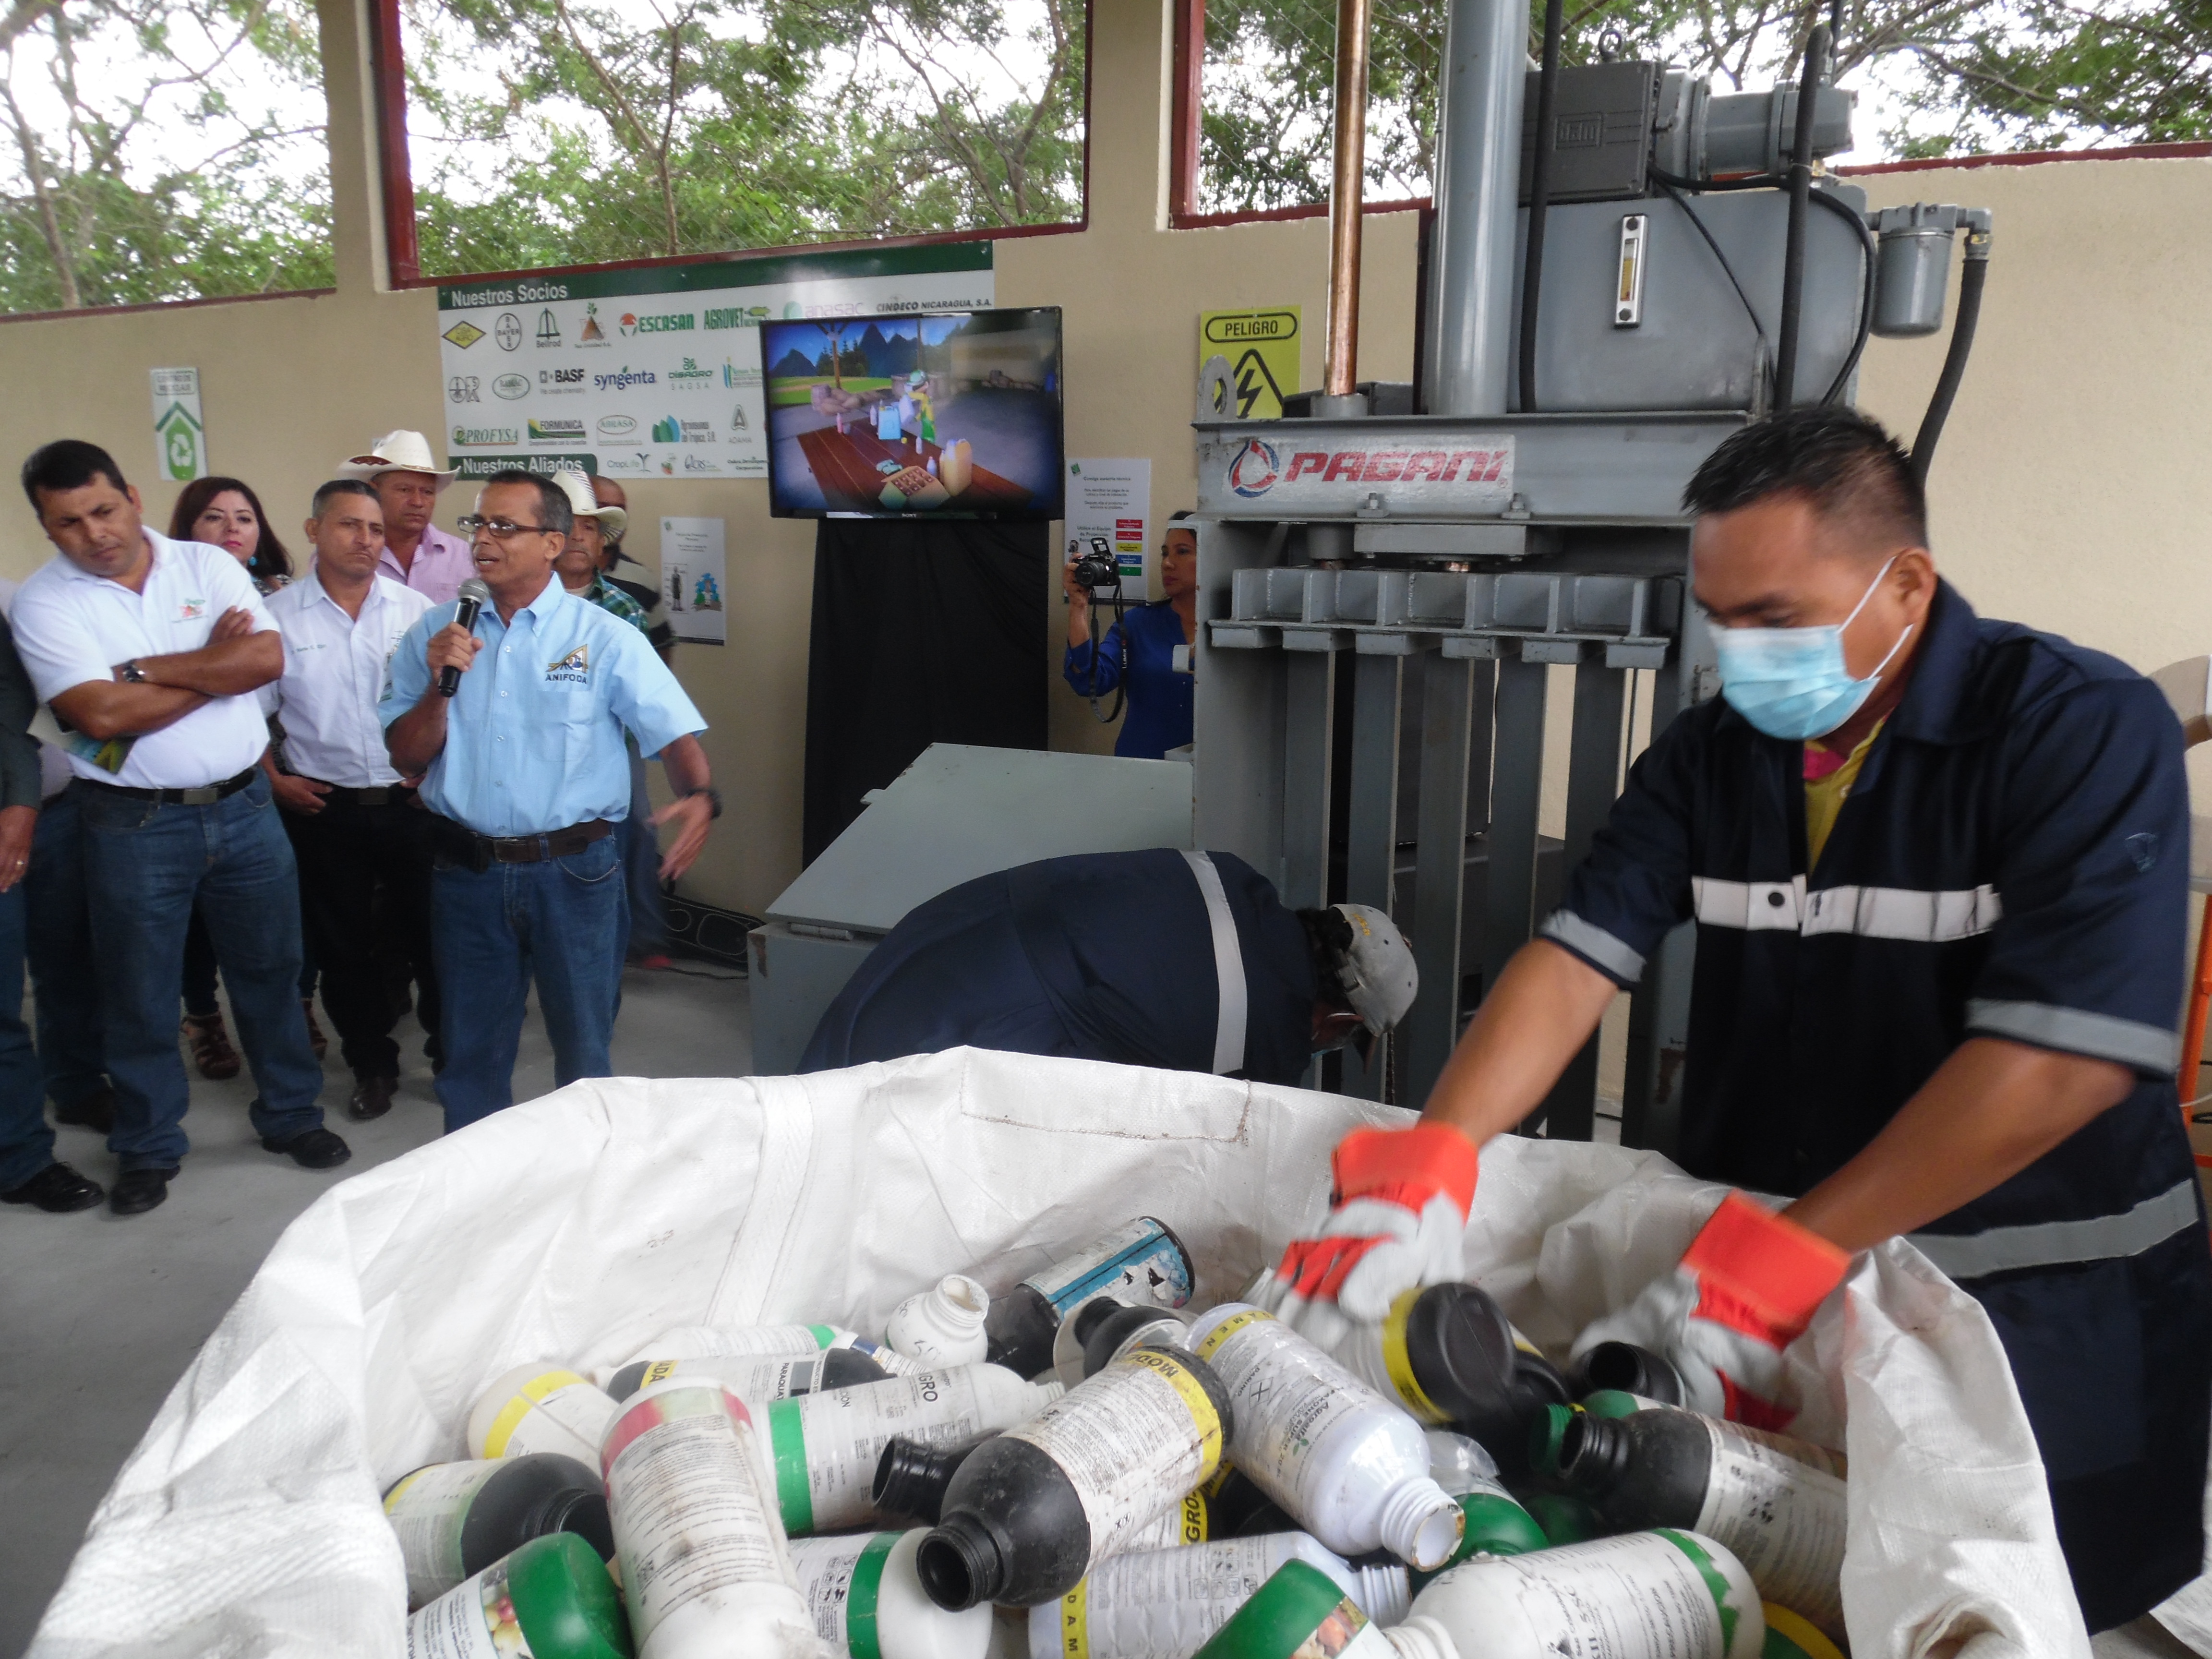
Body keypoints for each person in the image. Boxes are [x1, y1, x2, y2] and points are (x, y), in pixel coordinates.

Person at [1256, 409, 2211, 1634]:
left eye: (1778, 617)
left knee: (2008, 1607)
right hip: (1772, 1312)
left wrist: (1786, 1259)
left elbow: (2056, 1065)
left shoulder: (2075, 730)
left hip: (2035, 1327)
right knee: (1771, 1592)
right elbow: (1573, 960)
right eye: (1724, 618)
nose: (1746, 653)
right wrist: (1431, 1160)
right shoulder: (1715, 759)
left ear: (1905, 582)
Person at [12, 440, 345, 1216]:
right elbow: (96, 715)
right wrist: (205, 660)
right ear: (47, 527)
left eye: (104, 510)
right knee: (138, 993)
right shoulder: (44, 602)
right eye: (68, 523)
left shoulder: (205, 564)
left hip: (244, 810)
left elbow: (263, 659)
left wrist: (138, 669)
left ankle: (292, 1117)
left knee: (271, 973)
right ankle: (150, 1147)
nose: (94, 533)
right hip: (132, 824)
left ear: (130, 495)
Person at [380, 469, 720, 1132]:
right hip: (468, 872)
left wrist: (702, 794)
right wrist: (438, 686)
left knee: (585, 1052)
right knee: (471, 1053)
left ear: (553, 543)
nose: (483, 540)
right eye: (478, 524)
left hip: (575, 874)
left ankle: (588, 1188)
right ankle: (478, 1192)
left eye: (505, 526)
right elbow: (406, 756)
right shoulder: (434, 635)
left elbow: (672, 736)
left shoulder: (606, 637)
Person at [798, 848, 1417, 1085]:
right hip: (1007, 1008)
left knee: (823, 1076)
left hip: (959, 919)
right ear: (1337, 1015)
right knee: (852, 1132)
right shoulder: (1263, 1047)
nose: (1331, 1045)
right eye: (1344, 1038)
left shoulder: (1230, 876)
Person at [259, 480, 437, 1123]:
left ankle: (452, 1056)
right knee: (346, 949)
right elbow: (248, 717)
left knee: (433, 938)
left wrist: (434, 776)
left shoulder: (416, 610)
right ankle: (372, 1064)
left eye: (374, 529)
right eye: (348, 526)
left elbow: (449, 703)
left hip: (409, 806)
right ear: (313, 532)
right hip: (323, 809)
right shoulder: (278, 620)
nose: (365, 540)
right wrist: (275, 781)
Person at [167, 478, 324, 1077]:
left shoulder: (283, 597)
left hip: (289, 778)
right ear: (188, 530)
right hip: (209, 778)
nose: (232, 528)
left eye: (245, 517)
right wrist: (212, 658)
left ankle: (296, 1008)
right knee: (200, 920)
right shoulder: (171, 600)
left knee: (287, 914)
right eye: (214, 517)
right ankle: (203, 1017)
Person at [0, 572, 101, 1213]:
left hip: (54, 808)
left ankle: (79, 1085)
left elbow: (11, 703)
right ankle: (20, 1157)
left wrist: (24, 799)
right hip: (14, 813)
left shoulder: (19, 596)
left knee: (71, 964)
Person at [548, 469, 671, 968]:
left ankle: (625, 945)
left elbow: (650, 684)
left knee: (627, 836)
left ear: (603, 542)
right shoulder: (506, 603)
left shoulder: (625, 606)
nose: (580, 536)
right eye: (570, 525)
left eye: (591, 527)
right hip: (540, 756)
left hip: (609, 752)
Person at [587, 476, 676, 967]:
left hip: (620, 735)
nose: (608, 522)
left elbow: (662, 648)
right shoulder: (547, 580)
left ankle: (645, 936)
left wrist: (650, 718)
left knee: (639, 826)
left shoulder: (636, 583)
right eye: (599, 510)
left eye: (617, 512)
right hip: (562, 737)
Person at [1062, 515, 1197, 760]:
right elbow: (1091, 681)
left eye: (1183, 552)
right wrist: (1078, 606)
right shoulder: (1138, 624)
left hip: (1219, 776)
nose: (1168, 563)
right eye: (1165, 553)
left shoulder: (1236, 632)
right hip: (1142, 767)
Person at [337, 430, 472, 605]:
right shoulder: (343, 553)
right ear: (374, 491)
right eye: (404, 490)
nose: (418, 502)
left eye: (428, 492)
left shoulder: (462, 557)